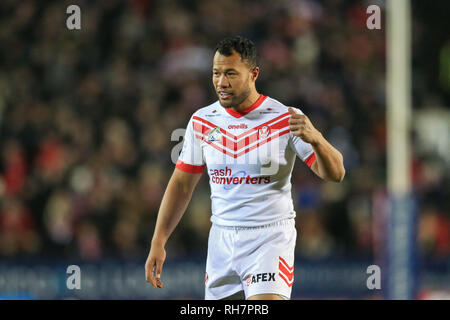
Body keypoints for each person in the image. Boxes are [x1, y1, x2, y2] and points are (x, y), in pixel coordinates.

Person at [145, 35, 345, 300]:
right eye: (216, 73)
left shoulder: (286, 117)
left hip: (270, 237)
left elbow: (336, 174)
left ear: (254, 74)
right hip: (222, 239)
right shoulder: (202, 121)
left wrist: (317, 139)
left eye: (230, 73)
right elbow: (181, 185)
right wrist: (159, 240)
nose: (221, 82)